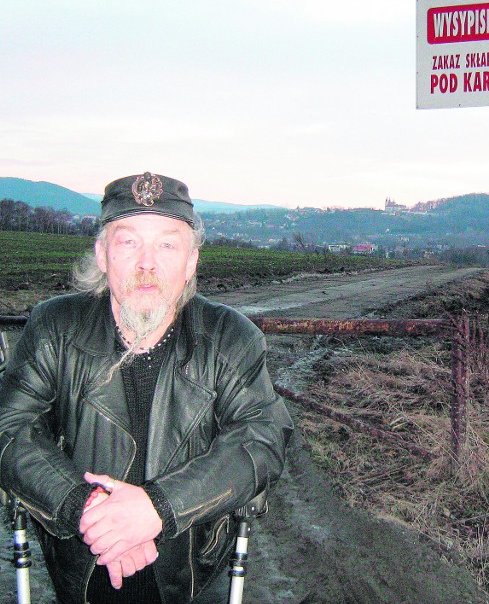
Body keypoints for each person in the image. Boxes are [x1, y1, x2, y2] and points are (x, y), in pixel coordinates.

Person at [0, 172, 293, 604]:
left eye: (167, 244)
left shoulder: (231, 338)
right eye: (128, 241)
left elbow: (262, 437)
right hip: (83, 562)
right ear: (102, 254)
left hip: (191, 569)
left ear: (191, 262)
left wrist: (158, 508)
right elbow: (10, 425)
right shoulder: (55, 328)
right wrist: (86, 506)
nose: (146, 264)